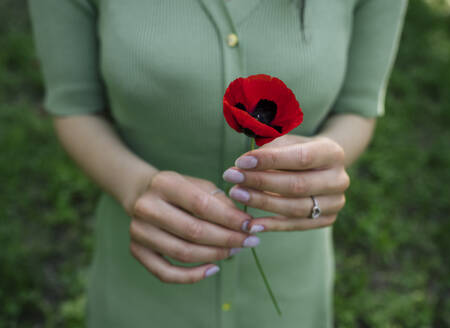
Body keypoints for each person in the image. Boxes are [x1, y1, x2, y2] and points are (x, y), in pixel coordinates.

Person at [29, 0, 407, 327]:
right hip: (143, 278)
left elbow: (358, 109)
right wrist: (135, 187)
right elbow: (74, 106)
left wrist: (317, 167)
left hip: (287, 283)